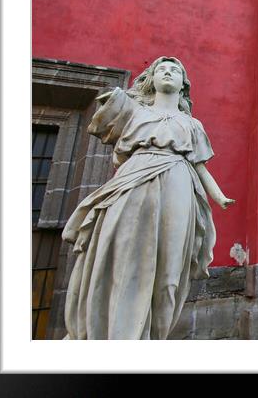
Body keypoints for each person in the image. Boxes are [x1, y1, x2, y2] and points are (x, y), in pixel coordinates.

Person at [62, 56, 234, 339]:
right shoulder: (133, 112)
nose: (167, 72)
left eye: (175, 70)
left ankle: (152, 338)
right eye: (161, 70)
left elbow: (200, 166)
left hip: (178, 183)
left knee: (170, 271)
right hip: (133, 181)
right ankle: (114, 335)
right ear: (151, 81)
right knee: (123, 256)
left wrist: (219, 196)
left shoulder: (192, 125)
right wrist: (116, 100)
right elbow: (104, 118)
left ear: (183, 84)